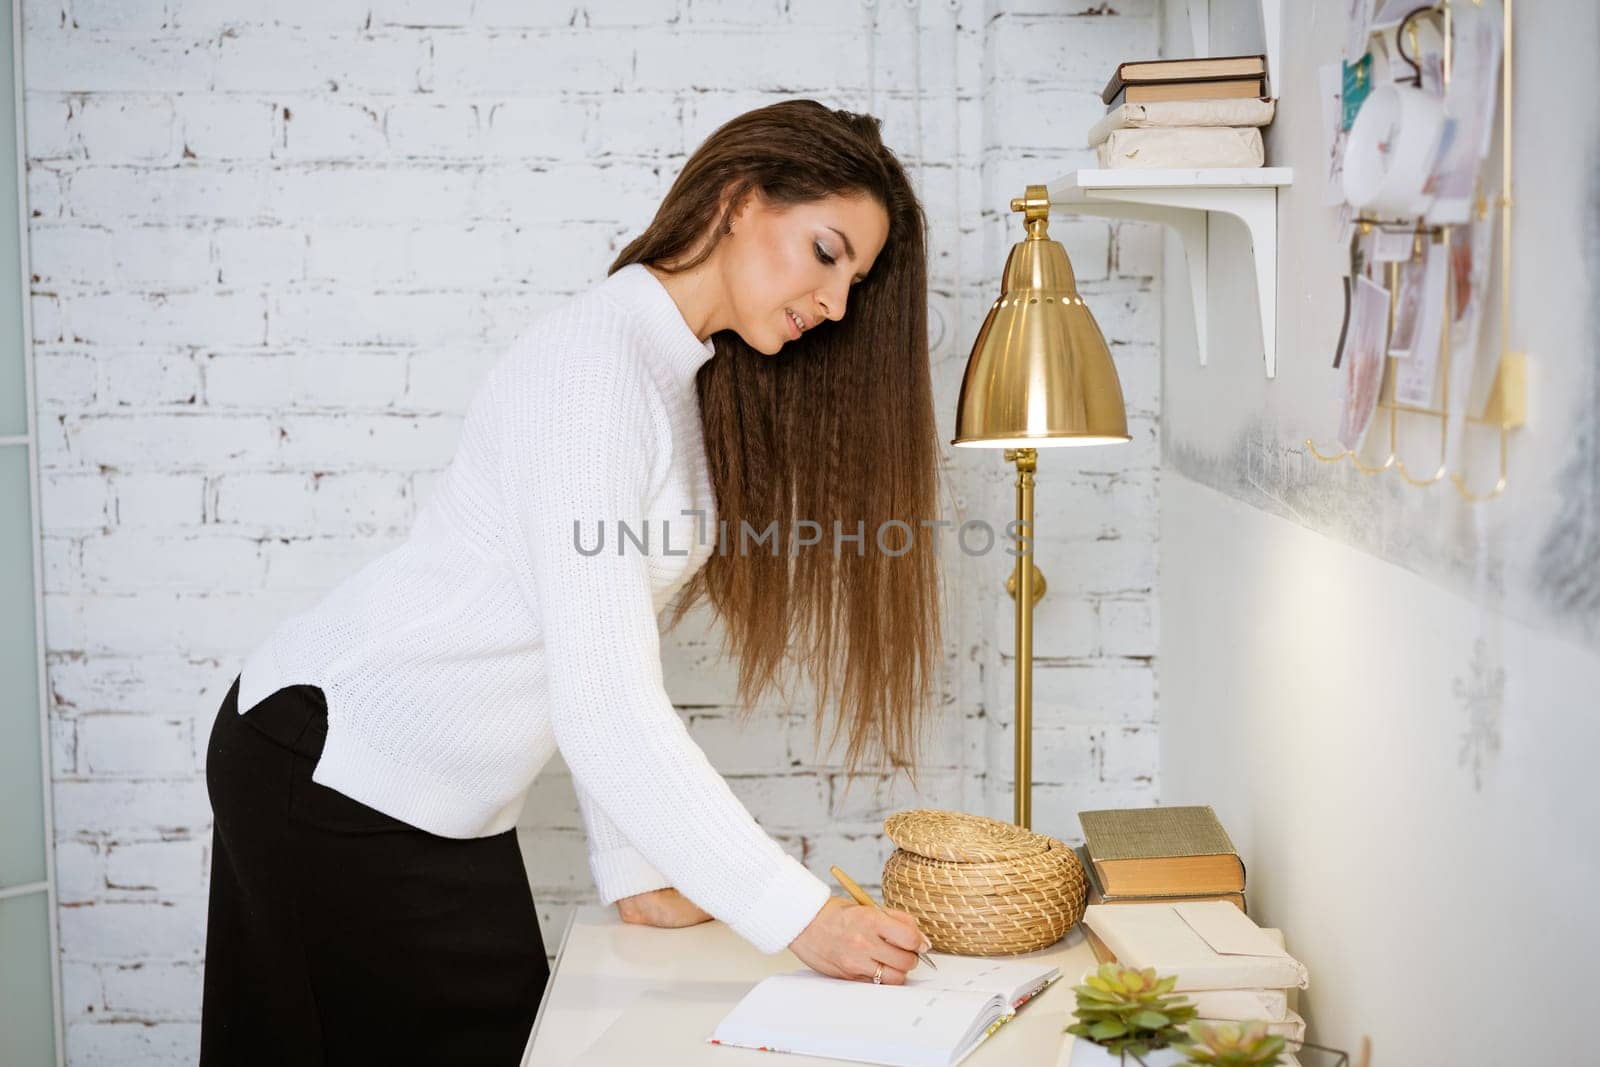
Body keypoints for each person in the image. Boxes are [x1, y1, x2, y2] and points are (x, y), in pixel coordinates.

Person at [199, 98, 947, 1065]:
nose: (838, 304)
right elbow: (604, 701)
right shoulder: (593, 370)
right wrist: (802, 916)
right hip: (333, 768)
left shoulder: (675, 375)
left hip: (442, 808)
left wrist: (633, 866)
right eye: (827, 252)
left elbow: (596, 646)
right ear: (739, 200)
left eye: (857, 278)